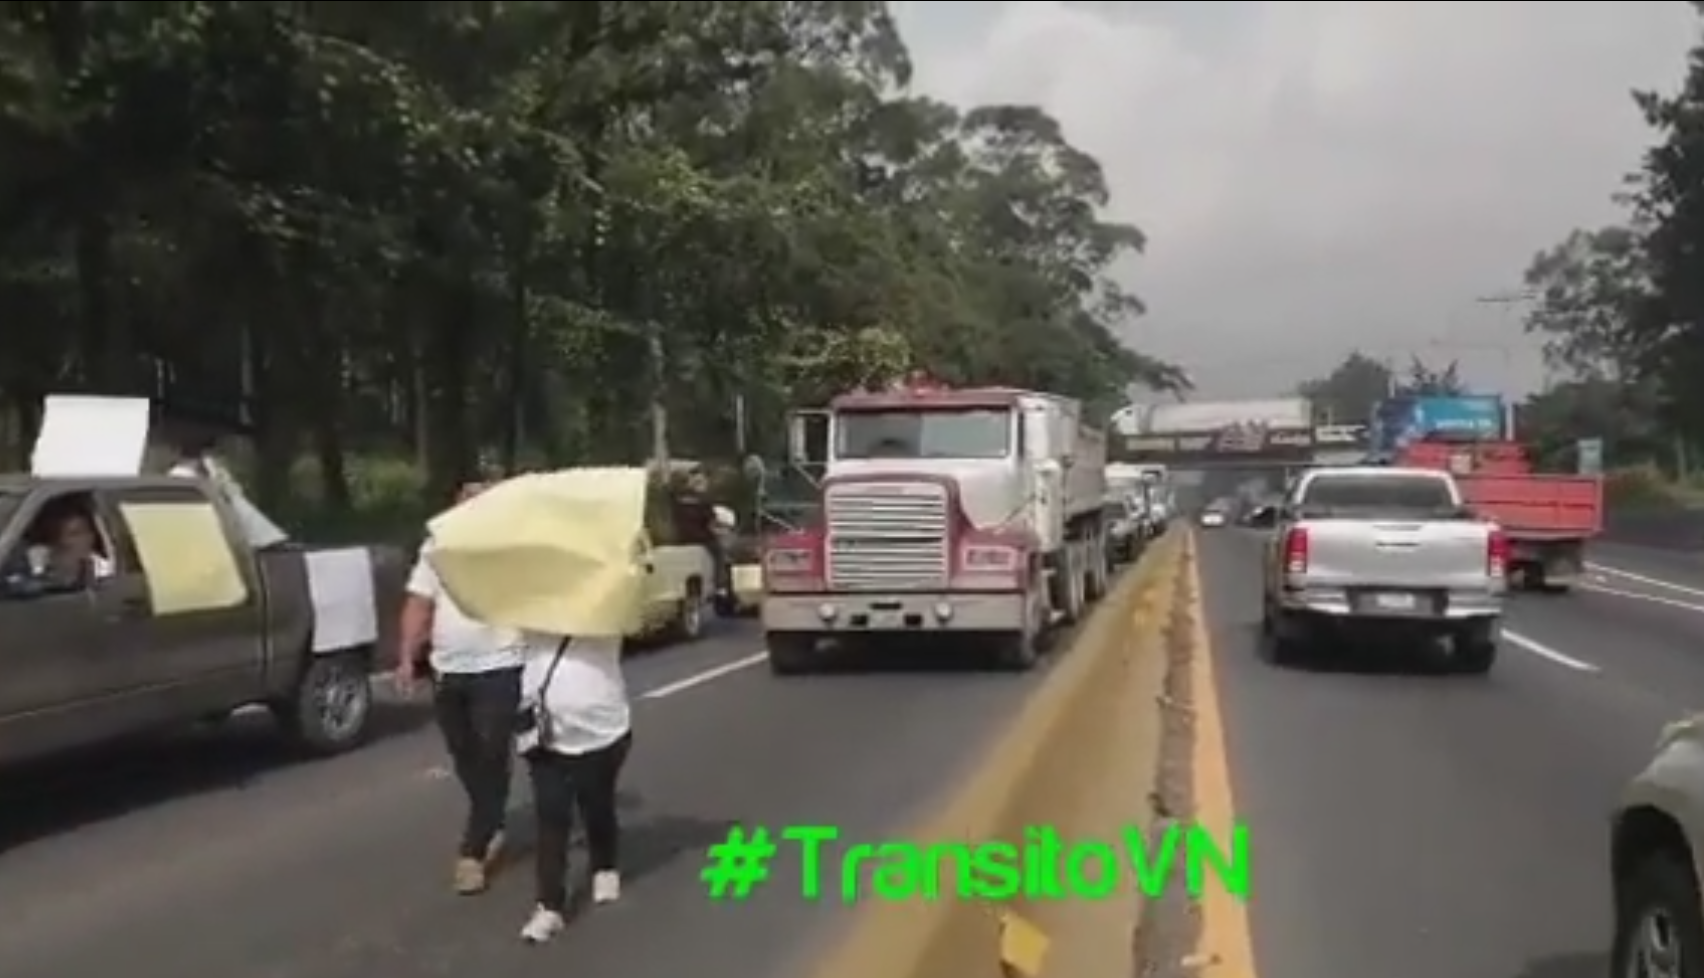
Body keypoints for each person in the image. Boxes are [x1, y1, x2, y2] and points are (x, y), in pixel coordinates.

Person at [395, 481, 526, 895]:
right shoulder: (436, 549)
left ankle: (473, 850)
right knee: (465, 755)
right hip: (448, 670)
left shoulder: (511, 551)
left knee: (491, 751)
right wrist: (405, 656)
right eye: (463, 504)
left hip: (502, 665)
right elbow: (419, 603)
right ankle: (491, 817)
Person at [516, 629, 633, 944]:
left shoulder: (603, 594)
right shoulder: (532, 600)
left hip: (601, 731)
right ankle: (549, 905)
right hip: (546, 731)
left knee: (597, 804)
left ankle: (604, 865)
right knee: (552, 814)